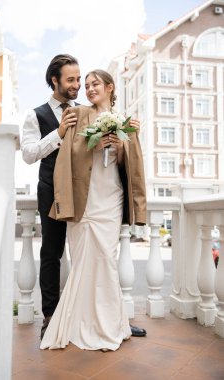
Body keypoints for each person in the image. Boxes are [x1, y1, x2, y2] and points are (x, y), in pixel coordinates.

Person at [40, 69, 147, 352]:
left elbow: (130, 165)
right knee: (84, 261)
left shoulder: (127, 121)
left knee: (106, 260)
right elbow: (68, 155)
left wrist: (121, 145)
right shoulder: (78, 114)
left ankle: (110, 324)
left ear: (110, 87)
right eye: (86, 85)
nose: (88, 89)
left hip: (111, 198)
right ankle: (83, 322)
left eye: (94, 84)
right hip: (84, 200)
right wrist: (94, 144)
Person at [21, 54, 81, 339]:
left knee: (86, 252)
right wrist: (58, 132)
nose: (77, 85)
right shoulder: (36, 114)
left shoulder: (86, 111)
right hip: (51, 191)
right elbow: (29, 155)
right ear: (54, 80)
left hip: (83, 193)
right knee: (51, 254)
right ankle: (51, 316)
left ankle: (86, 313)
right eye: (71, 80)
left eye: (78, 79)